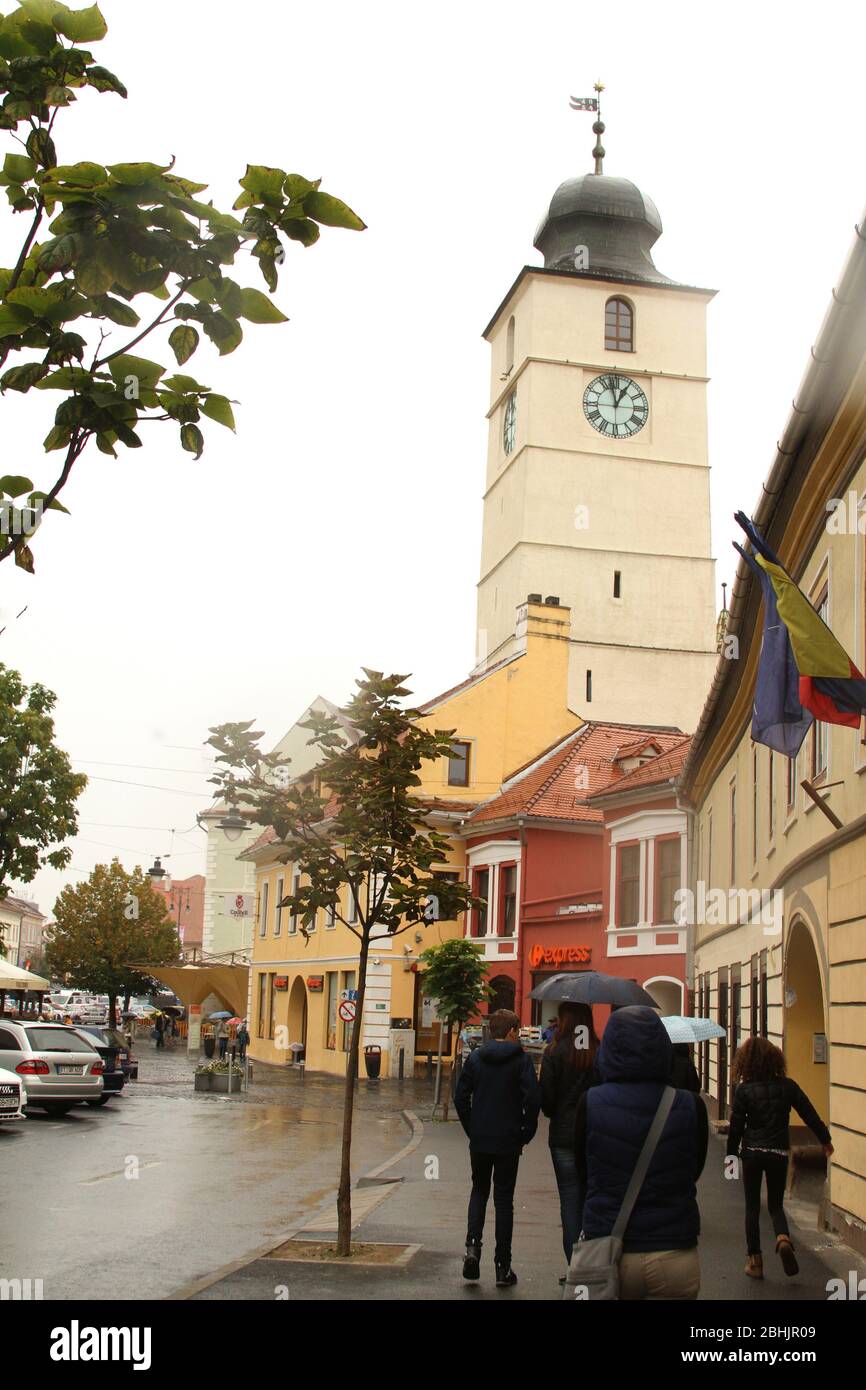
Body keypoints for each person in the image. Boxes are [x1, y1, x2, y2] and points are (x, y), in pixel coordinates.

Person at [575, 1005, 708, 1300]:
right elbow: (694, 1169)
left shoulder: (591, 1102)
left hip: (610, 1248)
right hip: (674, 1250)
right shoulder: (690, 1105)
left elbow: (584, 1173)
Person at [727, 1036, 832, 1280]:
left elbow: (736, 1128)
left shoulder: (743, 1090)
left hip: (752, 1153)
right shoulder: (789, 1087)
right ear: (775, 1059)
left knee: (752, 1206)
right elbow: (809, 1114)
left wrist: (731, 1157)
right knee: (775, 1205)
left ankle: (755, 1262)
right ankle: (783, 1238)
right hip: (777, 1152)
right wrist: (825, 1140)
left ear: (745, 1063)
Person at [455, 1008, 541, 1288]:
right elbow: (532, 1100)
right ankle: (503, 1266)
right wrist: (525, 1133)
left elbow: (461, 1096)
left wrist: (472, 1126)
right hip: (508, 1141)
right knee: (504, 1201)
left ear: (492, 1031)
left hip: (480, 1139)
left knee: (479, 1191)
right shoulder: (522, 1061)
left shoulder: (477, 1058)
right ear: (513, 1031)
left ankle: (472, 1248)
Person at [540, 1002, 599, 1276]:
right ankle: (595, 1263)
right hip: (595, 1134)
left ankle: (575, 1267)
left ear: (564, 1020)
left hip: (563, 1136)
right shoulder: (598, 1051)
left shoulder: (554, 1052)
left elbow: (548, 1103)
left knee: (569, 1200)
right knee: (593, 1198)